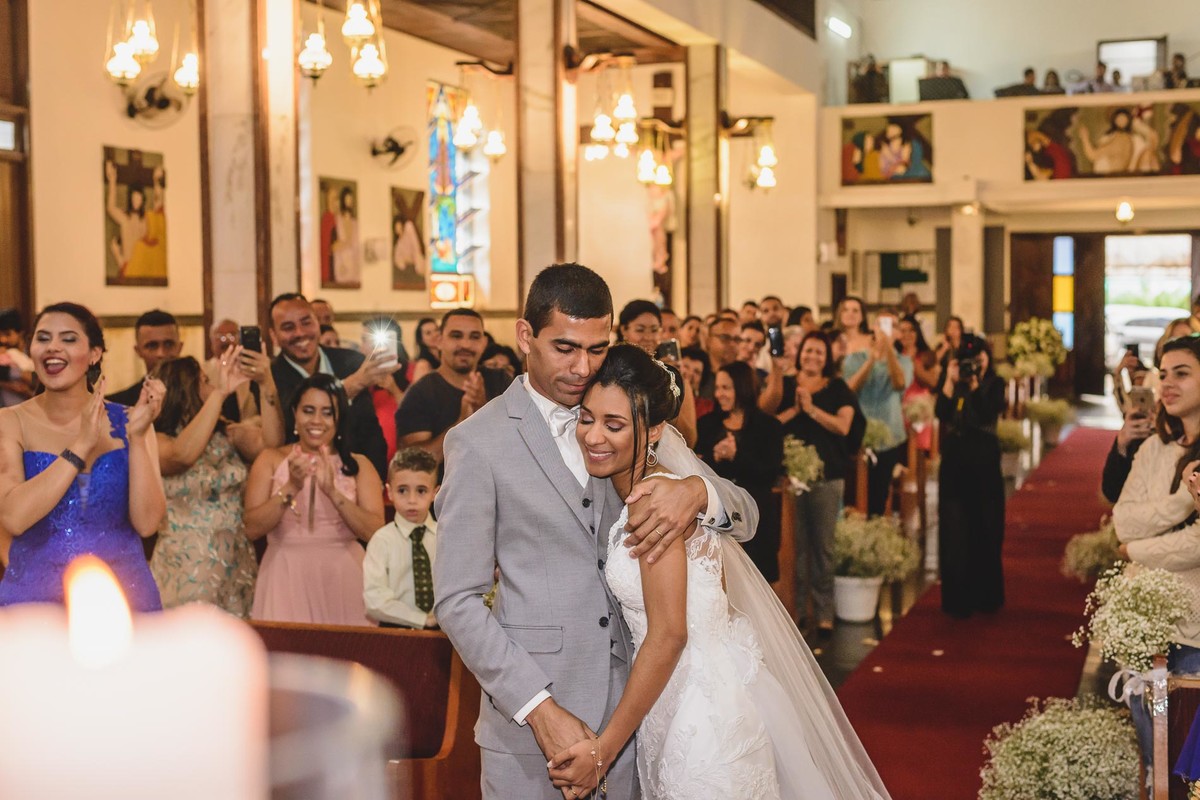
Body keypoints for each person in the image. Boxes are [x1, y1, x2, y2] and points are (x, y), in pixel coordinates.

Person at [433, 263, 758, 800]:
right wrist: (540, 711)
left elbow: (747, 513)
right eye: (565, 348)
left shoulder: (620, 417)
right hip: (532, 729)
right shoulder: (477, 442)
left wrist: (699, 493)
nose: (583, 367)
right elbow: (457, 601)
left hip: (637, 720)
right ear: (524, 336)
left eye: (597, 348)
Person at [548, 343, 890, 799]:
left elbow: (670, 634)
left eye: (614, 425)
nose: (592, 436)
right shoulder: (661, 485)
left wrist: (602, 751)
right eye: (586, 418)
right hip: (689, 698)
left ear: (653, 432)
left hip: (700, 717)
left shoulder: (656, 502)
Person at [0, 302, 165, 610]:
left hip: (125, 597)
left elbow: (147, 524)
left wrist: (140, 438)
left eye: (69, 339)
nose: (53, 348)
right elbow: (14, 517)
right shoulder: (10, 422)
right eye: (43, 338)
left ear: (94, 354)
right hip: (36, 602)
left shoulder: (132, 421)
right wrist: (80, 447)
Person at [1114, 335, 1200, 764]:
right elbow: (1122, 520)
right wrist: (1184, 499)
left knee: (1187, 760)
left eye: (1182, 374)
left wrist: (1135, 551)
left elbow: (1198, 543)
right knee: (1153, 756)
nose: (1167, 384)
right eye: (1163, 374)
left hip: (1192, 627)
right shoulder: (1154, 448)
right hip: (1145, 622)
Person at [245, 374, 384, 625]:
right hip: (284, 572)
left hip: (344, 574)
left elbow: (375, 531)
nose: (317, 421)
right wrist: (291, 487)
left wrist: (333, 493)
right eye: (308, 411)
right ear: (295, 414)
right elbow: (251, 528)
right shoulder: (270, 459)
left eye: (327, 412)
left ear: (339, 418)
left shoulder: (359, 465)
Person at [150, 351, 280, 616]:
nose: (213, 386)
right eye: (205, 381)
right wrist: (219, 395)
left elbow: (272, 445)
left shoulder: (228, 433)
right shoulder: (155, 439)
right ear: (186, 388)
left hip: (236, 560)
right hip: (185, 564)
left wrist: (267, 383)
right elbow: (183, 455)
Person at [776, 331, 860, 633]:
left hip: (827, 477)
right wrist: (795, 410)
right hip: (791, 480)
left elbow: (844, 426)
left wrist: (812, 410)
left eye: (819, 352)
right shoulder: (786, 385)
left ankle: (824, 611)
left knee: (822, 547)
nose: (812, 356)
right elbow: (769, 424)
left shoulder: (837, 388)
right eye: (808, 351)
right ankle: (796, 610)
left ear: (827, 358)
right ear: (800, 354)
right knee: (794, 548)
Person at [267, 293, 391, 480]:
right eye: (288, 327)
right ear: (273, 335)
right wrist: (348, 387)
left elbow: (370, 434)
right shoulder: (269, 376)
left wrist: (373, 483)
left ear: (318, 323)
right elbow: (286, 430)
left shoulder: (351, 361)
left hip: (357, 480)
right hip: (297, 481)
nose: (300, 333)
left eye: (306, 322)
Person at [937, 335, 1007, 618]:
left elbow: (987, 413)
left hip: (983, 462)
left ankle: (985, 595)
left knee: (985, 526)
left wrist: (976, 385)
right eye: (968, 361)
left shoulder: (995, 383)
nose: (973, 365)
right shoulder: (953, 382)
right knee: (954, 530)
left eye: (979, 359)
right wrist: (950, 381)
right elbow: (942, 412)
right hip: (954, 462)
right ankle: (957, 599)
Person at [697, 361, 785, 581]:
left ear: (742, 388)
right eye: (717, 388)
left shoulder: (769, 426)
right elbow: (698, 470)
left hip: (758, 517)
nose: (719, 394)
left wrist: (736, 456)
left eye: (726, 388)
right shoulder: (707, 424)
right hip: (718, 519)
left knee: (760, 583)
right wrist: (714, 456)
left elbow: (770, 473)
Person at [395, 309, 511, 464]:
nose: (465, 344)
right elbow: (414, 464)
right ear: (439, 340)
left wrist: (484, 411)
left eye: (474, 337)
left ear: (484, 343)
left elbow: (519, 443)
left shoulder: (500, 381)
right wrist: (462, 423)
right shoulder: (420, 393)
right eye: (456, 336)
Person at [840, 303, 911, 515]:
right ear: (872, 327)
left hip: (888, 437)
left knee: (878, 497)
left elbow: (899, 383)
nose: (885, 329)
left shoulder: (904, 361)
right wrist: (872, 357)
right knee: (853, 497)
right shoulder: (855, 358)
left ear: (898, 332)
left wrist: (887, 350)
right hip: (857, 436)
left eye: (892, 325)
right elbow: (849, 389)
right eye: (881, 324)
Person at [363, 447, 440, 629]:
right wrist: (423, 620)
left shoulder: (444, 537)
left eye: (421, 491)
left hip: (444, 632)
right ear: (389, 492)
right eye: (403, 490)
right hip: (394, 631)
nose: (412, 500)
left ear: (435, 493)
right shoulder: (382, 541)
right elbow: (374, 600)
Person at [615, 300, 697, 447]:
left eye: (654, 330)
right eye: (640, 330)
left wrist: (666, 386)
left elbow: (690, 439)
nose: (648, 337)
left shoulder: (672, 376)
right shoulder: (611, 371)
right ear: (624, 330)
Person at [107, 309, 182, 406]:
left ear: (180, 347)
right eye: (152, 346)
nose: (161, 353)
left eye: (168, 344)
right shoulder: (118, 404)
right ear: (138, 351)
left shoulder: (200, 398)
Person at [897, 314, 940, 451]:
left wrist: (911, 362)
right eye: (902, 331)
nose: (907, 335)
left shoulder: (926, 355)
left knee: (919, 451)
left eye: (911, 330)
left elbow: (933, 383)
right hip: (898, 409)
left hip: (919, 409)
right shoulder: (894, 355)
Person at [408, 316, 442, 384]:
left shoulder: (444, 358)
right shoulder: (423, 365)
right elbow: (418, 393)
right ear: (421, 340)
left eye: (436, 330)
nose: (435, 335)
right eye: (428, 333)